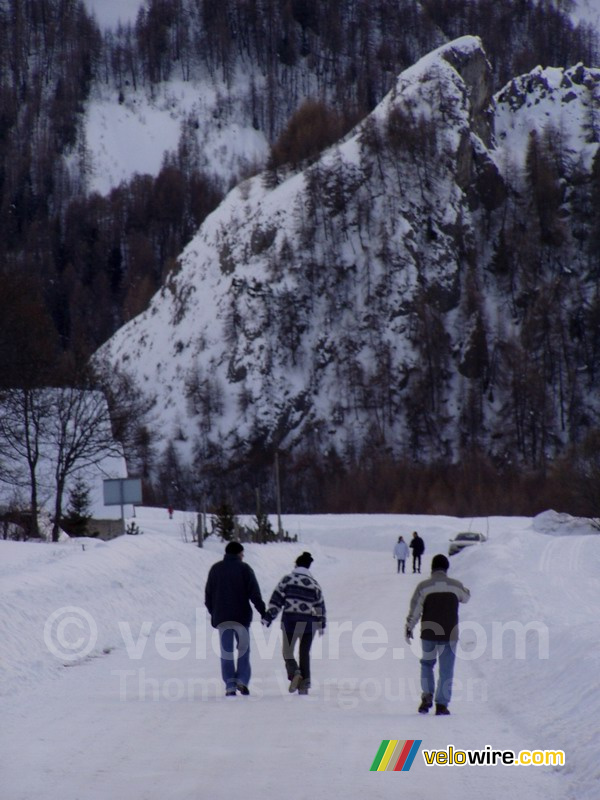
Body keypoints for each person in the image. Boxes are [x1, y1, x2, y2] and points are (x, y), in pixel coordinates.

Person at [405, 553, 470, 715]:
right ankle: (442, 705)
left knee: (427, 664)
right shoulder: (456, 585)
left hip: (429, 633)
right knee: (446, 669)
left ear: (432, 568)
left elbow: (415, 610)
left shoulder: (423, 586)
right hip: (450, 633)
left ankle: (427, 696)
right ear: (446, 568)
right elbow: (466, 597)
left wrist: (409, 627)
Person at [205, 541, 268, 696]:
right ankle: (242, 680)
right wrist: (263, 611)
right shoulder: (245, 569)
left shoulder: (215, 569)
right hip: (241, 617)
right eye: (242, 553)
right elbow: (254, 593)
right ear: (239, 553)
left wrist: (214, 613)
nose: (243, 555)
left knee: (226, 652)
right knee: (243, 650)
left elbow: (208, 595)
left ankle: (230, 685)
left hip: (222, 618)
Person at [263, 552, 326, 696]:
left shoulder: (287, 580)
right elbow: (319, 606)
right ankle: (305, 684)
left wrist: (269, 616)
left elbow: (277, 600)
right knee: (304, 653)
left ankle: (295, 672)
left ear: (296, 565)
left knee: (288, 651)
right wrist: (321, 623)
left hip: (290, 622)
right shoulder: (314, 584)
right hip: (308, 624)